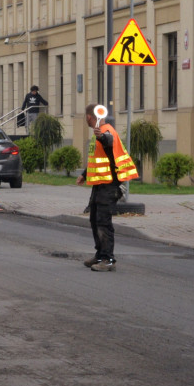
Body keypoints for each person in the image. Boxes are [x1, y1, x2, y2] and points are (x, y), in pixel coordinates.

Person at [75, 103, 138, 272]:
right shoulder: (100, 132)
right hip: (100, 184)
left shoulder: (106, 131)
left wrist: (102, 137)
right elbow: (99, 157)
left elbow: (109, 142)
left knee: (103, 222)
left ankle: (108, 260)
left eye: (85, 118)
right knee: (95, 219)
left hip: (110, 184)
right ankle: (100, 254)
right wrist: (84, 174)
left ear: (89, 117)